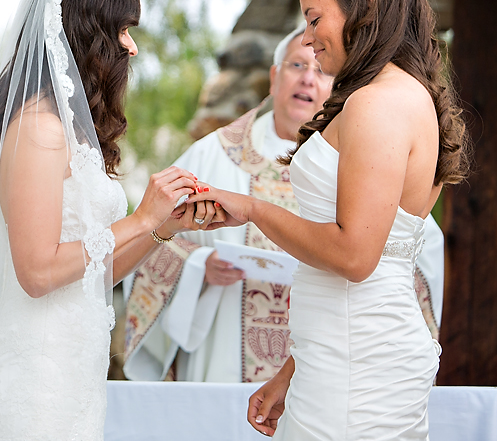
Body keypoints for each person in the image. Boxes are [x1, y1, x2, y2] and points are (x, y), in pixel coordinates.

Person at [197, 0, 469, 441]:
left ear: (362, 8)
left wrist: (254, 209)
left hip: (356, 368)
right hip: (343, 352)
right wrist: (291, 372)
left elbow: (354, 257)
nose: (307, 37)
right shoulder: (403, 94)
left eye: (314, 17)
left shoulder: (377, 104)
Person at [0, 0, 220, 441]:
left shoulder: (71, 133)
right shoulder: (38, 130)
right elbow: (37, 273)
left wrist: (161, 229)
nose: (131, 47)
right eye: (122, 30)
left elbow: (94, 272)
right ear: (87, 37)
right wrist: (137, 219)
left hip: (74, 374)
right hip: (35, 379)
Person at [122, 25, 445, 384]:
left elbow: (416, 241)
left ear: (339, 87)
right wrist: (200, 268)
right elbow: (148, 233)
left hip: (333, 358)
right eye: (296, 66)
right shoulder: (212, 156)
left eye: (320, 70)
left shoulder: (369, 162)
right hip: (224, 359)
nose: (308, 79)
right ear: (275, 78)